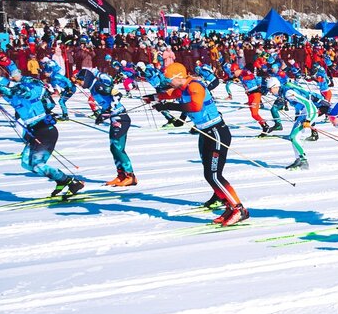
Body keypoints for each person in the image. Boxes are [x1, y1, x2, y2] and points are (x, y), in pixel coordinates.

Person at [152, 62, 248, 225]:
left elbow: (195, 106)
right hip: (205, 133)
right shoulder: (182, 88)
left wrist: (168, 106)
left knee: (214, 175)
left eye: (169, 79)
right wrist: (153, 98)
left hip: (217, 132)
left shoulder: (195, 86)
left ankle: (239, 209)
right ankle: (229, 206)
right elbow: (169, 94)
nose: (168, 82)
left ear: (178, 77)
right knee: (209, 174)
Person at [0, 67, 85, 198]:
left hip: (45, 131)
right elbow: (4, 91)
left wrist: (11, 83)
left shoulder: (29, 90)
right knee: (26, 163)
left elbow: (27, 90)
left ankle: (71, 182)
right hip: (35, 132)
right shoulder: (12, 96)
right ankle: (61, 180)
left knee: (37, 165)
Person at [75, 69, 137, 186]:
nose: (79, 83)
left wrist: (111, 108)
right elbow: (106, 104)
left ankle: (130, 176)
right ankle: (121, 175)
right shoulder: (93, 89)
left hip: (121, 118)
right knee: (114, 148)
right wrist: (101, 115)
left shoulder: (98, 86)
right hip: (115, 119)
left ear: (86, 79)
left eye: (80, 81)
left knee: (117, 148)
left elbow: (117, 94)